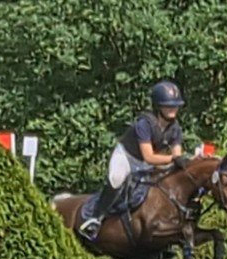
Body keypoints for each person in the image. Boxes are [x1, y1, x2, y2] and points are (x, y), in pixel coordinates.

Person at [78, 80, 190, 240]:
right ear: (158, 106)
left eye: (176, 105)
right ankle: (95, 218)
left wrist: (183, 162)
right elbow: (149, 156)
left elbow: (177, 154)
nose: (173, 109)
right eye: (168, 105)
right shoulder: (144, 124)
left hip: (147, 163)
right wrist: (173, 158)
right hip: (127, 157)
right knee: (117, 179)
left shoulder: (175, 128)